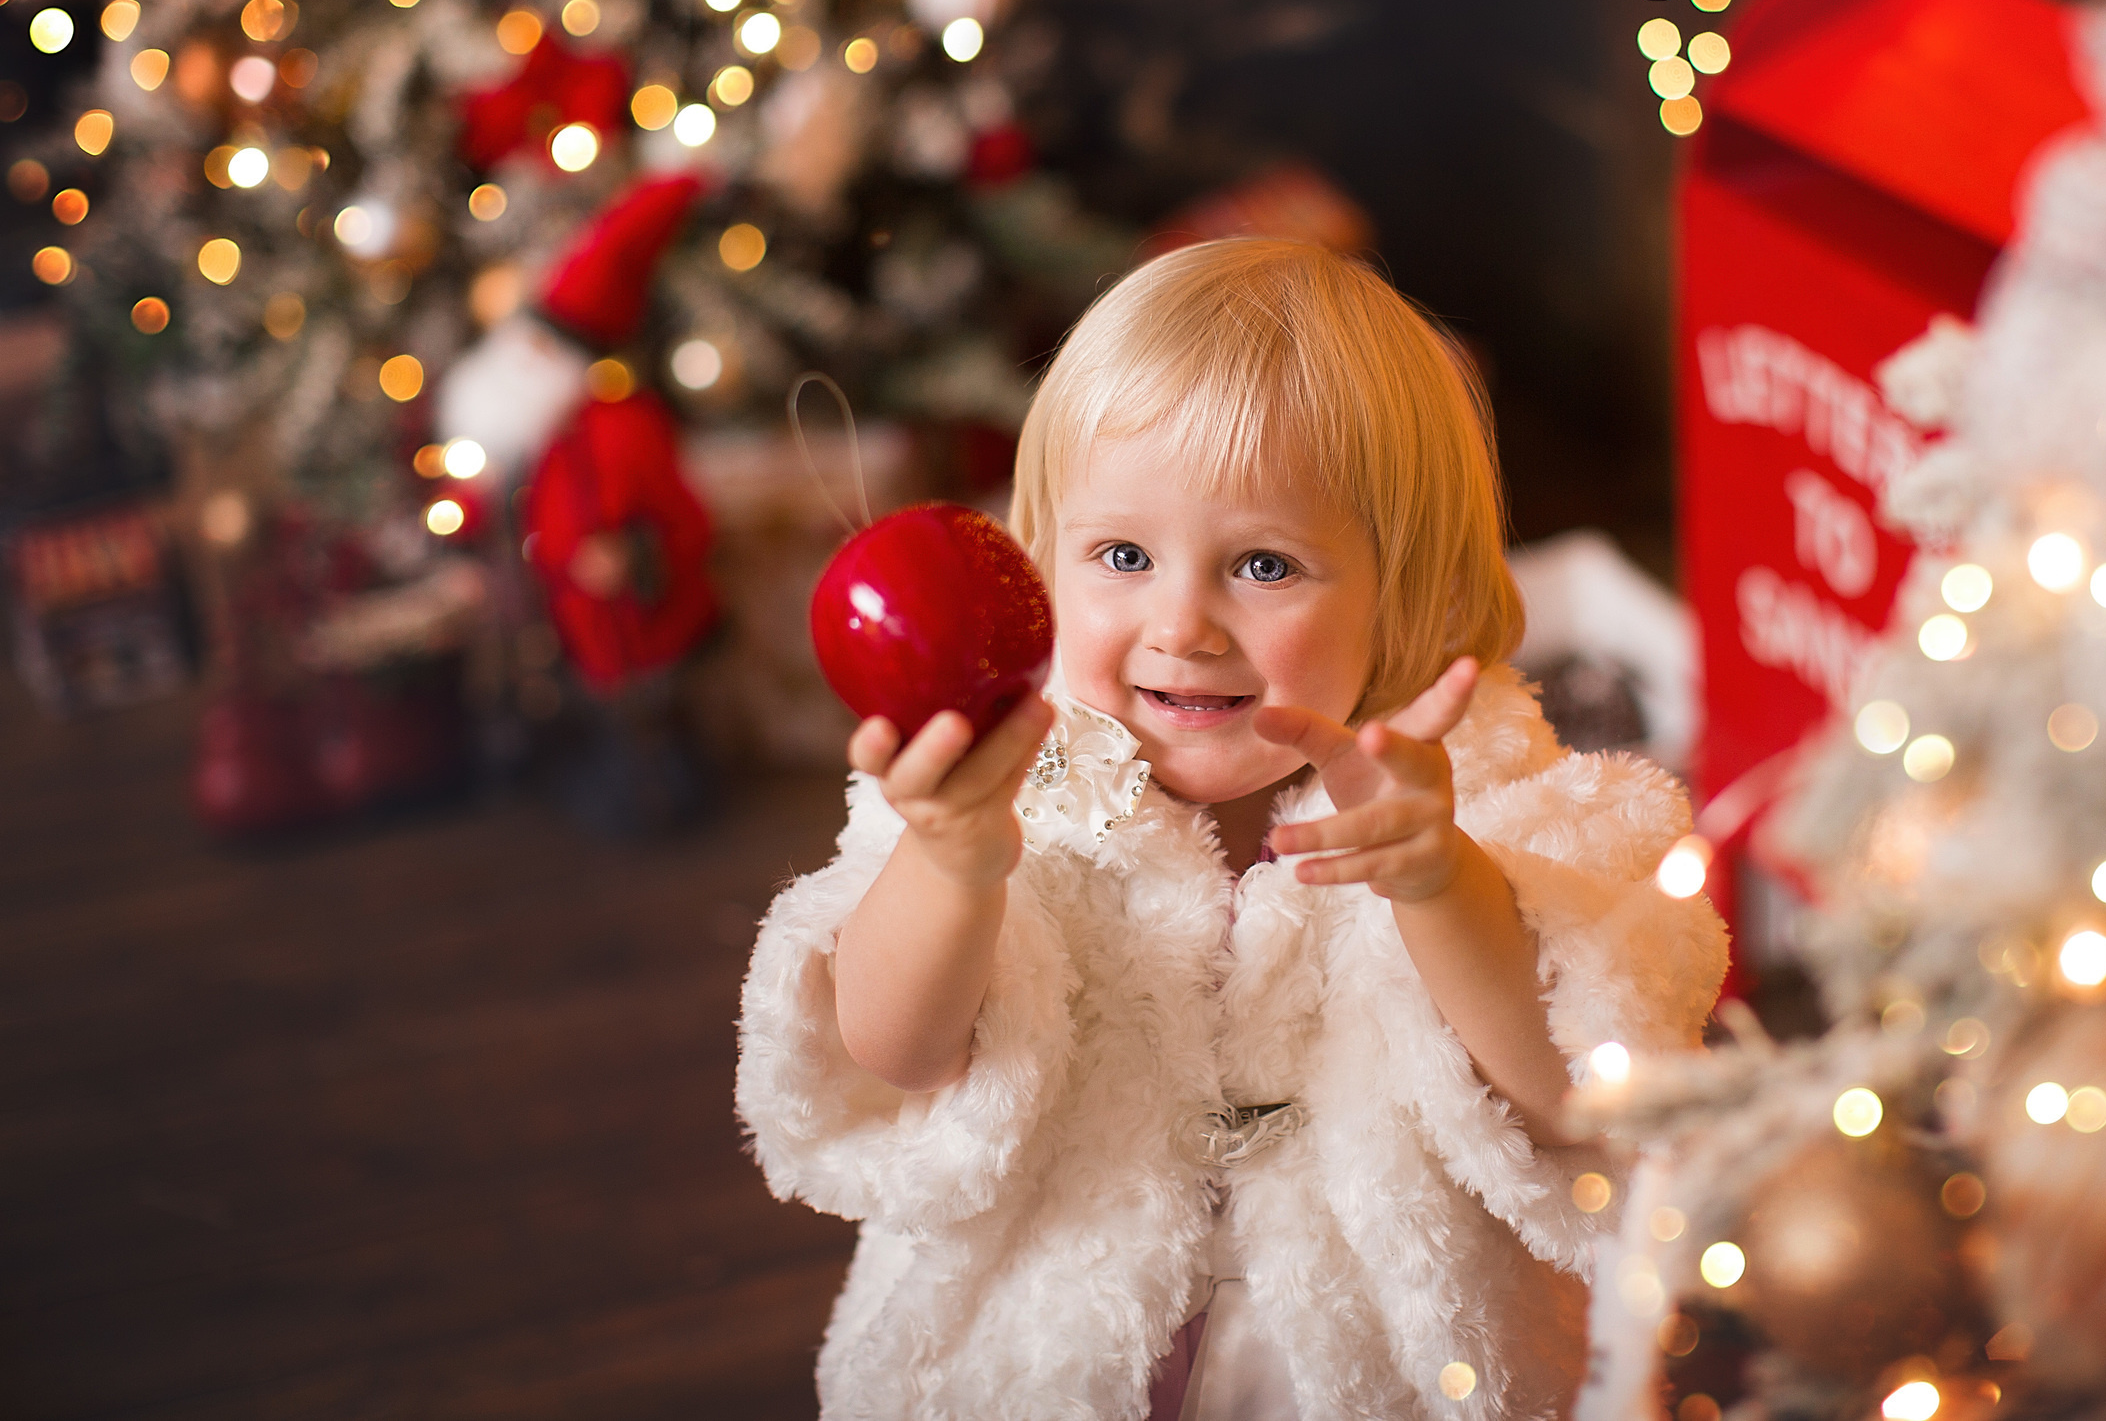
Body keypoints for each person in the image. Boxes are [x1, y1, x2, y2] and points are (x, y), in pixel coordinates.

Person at [736, 239, 1727, 1419]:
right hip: (1041, 1362)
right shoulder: (998, 783)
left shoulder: (1500, 802)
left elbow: (1580, 1096)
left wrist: (1440, 882)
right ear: (1038, 560)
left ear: (1412, 596)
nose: (1180, 622)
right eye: (1122, 555)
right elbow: (890, 1057)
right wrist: (952, 860)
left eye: (1263, 564)